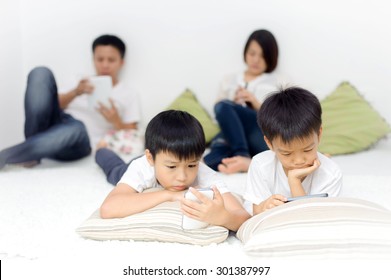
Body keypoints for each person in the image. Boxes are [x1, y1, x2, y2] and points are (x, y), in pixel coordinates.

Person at [0, 34, 140, 170]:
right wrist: (75, 92)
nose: (104, 65)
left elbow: (133, 130)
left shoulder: (128, 93)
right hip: (55, 123)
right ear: (93, 59)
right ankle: (30, 153)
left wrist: (115, 120)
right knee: (40, 72)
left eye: (111, 60)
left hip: (78, 142)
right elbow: (46, 105)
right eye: (100, 59)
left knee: (77, 128)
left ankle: (9, 156)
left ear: (121, 62)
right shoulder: (78, 81)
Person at [99, 110, 250, 231]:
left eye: (191, 165)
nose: (182, 177)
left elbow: (243, 217)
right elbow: (108, 209)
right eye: (172, 167)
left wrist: (222, 217)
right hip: (135, 166)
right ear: (150, 158)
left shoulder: (204, 173)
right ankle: (101, 150)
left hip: (159, 157)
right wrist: (169, 195)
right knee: (114, 171)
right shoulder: (142, 167)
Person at [243, 87, 342, 215]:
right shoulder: (261, 165)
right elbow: (251, 212)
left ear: (319, 135)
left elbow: (311, 219)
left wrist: (294, 181)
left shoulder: (331, 173)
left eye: (307, 150)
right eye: (287, 153)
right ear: (269, 143)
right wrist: (263, 207)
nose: (299, 160)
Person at [203, 29, 282, 174]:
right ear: (245, 53)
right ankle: (215, 163)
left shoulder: (279, 81)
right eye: (252, 54)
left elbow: (283, 119)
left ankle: (240, 154)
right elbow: (219, 114)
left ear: (271, 58)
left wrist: (256, 104)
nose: (256, 60)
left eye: (263, 56)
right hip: (233, 135)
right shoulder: (228, 79)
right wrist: (233, 105)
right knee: (223, 108)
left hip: (259, 133)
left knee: (223, 112)